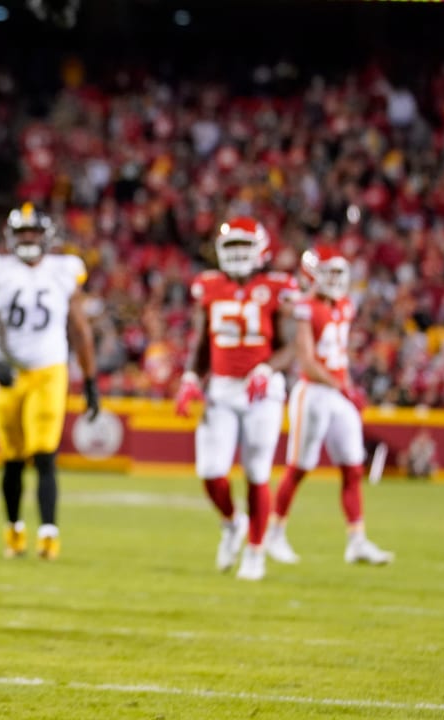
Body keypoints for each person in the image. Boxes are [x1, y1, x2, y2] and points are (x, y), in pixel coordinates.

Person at [0, 202, 99, 560]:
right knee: (11, 458)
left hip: (48, 371)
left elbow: (80, 329)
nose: (27, 239)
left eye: (33, 232)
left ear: (45, 236)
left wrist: (90, 379)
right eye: (21, 232)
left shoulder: (64, 270)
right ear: (10, 236)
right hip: (7, 372)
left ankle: (49, 535)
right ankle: (14, 530)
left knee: (44, 455)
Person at [175, 217, 298, 582]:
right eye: (231, 247)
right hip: (222, 389)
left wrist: (267, 369)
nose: (239, 254)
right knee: (211, 472)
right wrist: (190, 377)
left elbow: (291, 343)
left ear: (261, 249)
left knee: (257, 472)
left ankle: (256, 552)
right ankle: (232, 524)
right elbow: (200, 341)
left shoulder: (277, 287)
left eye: (245, 246)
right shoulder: (209, 286)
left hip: (262, 390)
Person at [265, 246, 393, 566]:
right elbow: (307, 362)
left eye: (339, 272)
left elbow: (340, 356)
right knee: (300, 467)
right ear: (312, 275)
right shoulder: (305, 308)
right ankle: (274, 533)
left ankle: (357, 541)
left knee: (352, 467)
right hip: (313, 393)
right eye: (329, 273)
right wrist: (344, 387)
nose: (336, 279)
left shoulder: (345, 305)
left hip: (337, 393)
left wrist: (345, 386)